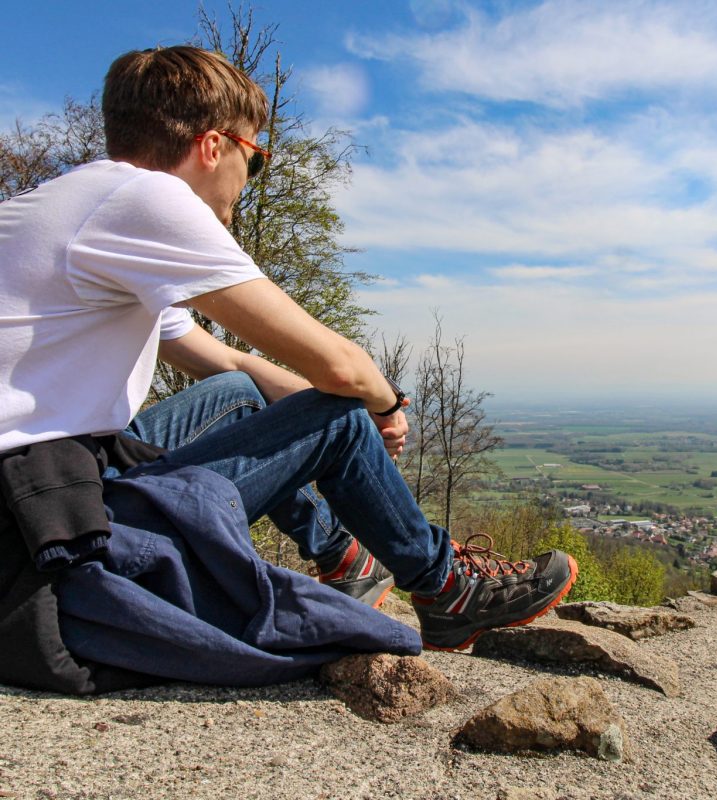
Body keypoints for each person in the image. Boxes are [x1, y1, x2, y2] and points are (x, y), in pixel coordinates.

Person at [0, 45, 576, 690]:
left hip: (45, 481)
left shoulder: (64, 206)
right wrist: (375, 405)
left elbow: (226, 361)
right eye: (257, 156)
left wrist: (340, 421)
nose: (250, 179)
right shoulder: (146, 199)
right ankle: (445, 588)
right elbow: (337, 364)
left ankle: (343, 554)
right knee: (333, 412)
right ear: (214, 146)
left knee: (243, 393)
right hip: (38, 532)